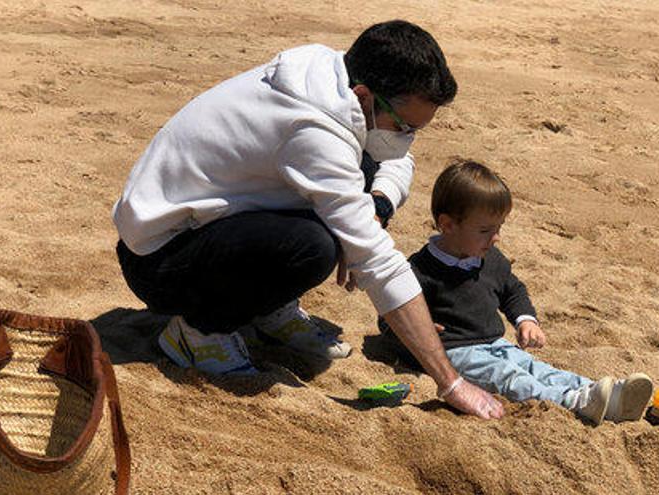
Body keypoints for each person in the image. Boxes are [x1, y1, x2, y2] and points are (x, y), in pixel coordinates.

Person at [112, 20, 503, 418]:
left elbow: (396, 159)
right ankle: (198, 334)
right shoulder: (315, 129)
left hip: (207, 221)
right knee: (312, 247)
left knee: (361, 177)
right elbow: (378, 263)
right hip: (159, 259)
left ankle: (267, 310)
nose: (407, 137)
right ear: (365, 95)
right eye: (404, 126)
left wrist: (378, 208)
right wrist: (450, 382)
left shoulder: (332, 74)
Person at [386, 160, 653, 425]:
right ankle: (572, 402)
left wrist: (525, 319)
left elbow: (512, 290)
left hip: (496, 343)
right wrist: (420, 329)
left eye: (499, 228)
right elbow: (391, 316)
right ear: (448, 225)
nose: (496, 237)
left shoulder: (490, 258)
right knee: (507, 377)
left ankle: (607, 395)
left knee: (536, 368)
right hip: (455, 351)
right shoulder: (420, 270)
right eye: (485, 230)